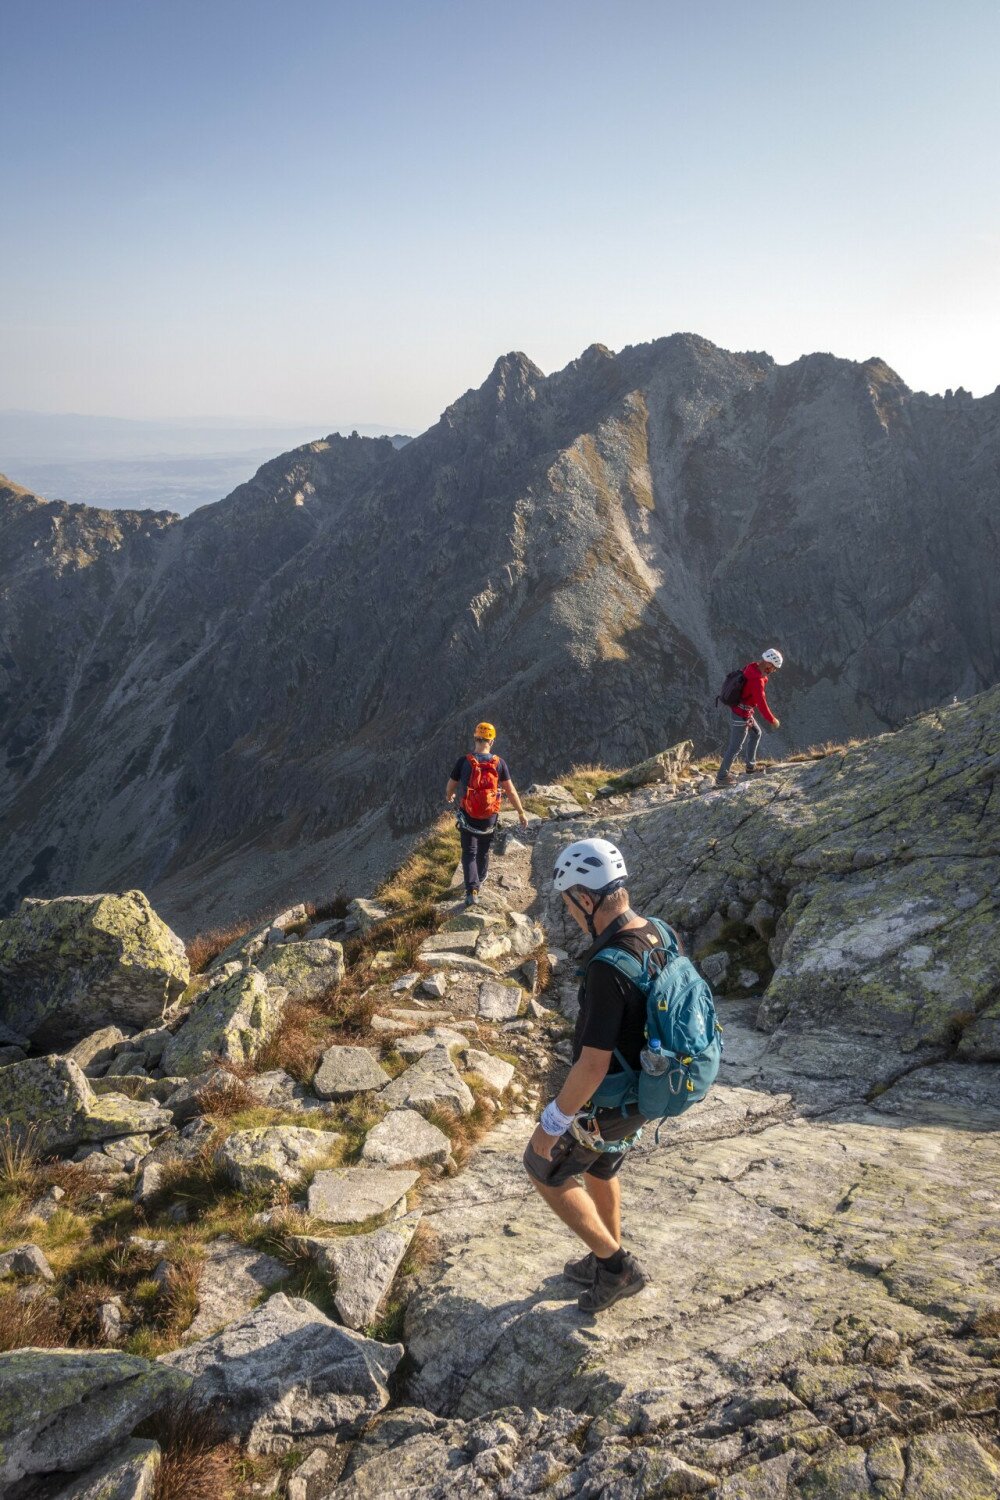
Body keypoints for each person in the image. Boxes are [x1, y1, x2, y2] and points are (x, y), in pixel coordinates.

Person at [523, 836, 660, 1313]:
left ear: (586, 897)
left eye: (570, 904)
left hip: (614, 1094)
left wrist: (553, 1123)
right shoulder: (656, 932)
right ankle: (604, 1251)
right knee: (602, 1164)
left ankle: (616, 1266)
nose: (572, 915)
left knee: (544, 1166)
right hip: (647, 1088)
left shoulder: (608, 967)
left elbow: (592, 1063)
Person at [445, 722, 527, 907]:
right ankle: (480, 880)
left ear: (475, 738)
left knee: (469, 852)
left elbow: (451, 785)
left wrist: (449, 796)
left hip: (468, 815)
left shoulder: (464, 761)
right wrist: (521, 812)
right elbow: (511, 791)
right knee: (483, 850)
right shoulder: (499, 763)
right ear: (492, 741)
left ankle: (472, 890)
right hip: (489, 816)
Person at [716, 647, 784, 786]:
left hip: (743, 711)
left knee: (756, 733)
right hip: (741, 715)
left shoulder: (752, 667)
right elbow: (762, 704)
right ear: (769, 663)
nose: (774, 671)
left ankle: (750, 767)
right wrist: (772, 720)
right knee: (735, 747)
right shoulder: (757, 681)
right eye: (774, 667)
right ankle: (721, 778)